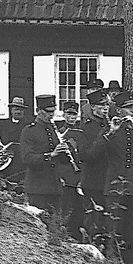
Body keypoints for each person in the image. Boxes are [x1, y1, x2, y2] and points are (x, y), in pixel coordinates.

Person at [89, 92, 133, 264]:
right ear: (118, 110)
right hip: (114, 187)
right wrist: (111, 132)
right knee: (114, 229)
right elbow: (93, 154)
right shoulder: (109, 129)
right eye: (129, 108)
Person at [19, 94, 64, 240]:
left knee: (55, 224)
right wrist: (50, 155)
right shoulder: (29, 130)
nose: (51, 115)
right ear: (38, 111)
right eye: (48, 112)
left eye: (53, 111)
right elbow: (26, 158)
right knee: (38, 226)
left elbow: (60, 159)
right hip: (37, 186)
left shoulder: (53, 129)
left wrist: (67, 151)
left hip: (54, 185)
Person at [77, 88, 112, 247]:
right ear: (92, 107)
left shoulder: (111, 125)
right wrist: (106, 136)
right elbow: (87, 155)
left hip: (110, 180)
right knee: (94, 223)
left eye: (107, 105)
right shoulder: (86, 128)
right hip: (94, 181)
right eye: (101, 105)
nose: (105, 108)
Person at [54, 101, 86, 241]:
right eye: (68, 114)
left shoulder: (81, 131)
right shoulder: (58, 132)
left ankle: (75, 235)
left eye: (74, 115)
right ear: (63, 114)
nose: (71, 117)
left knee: (78, 210)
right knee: (65, 207)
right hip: (64, 174)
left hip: (77, 175)